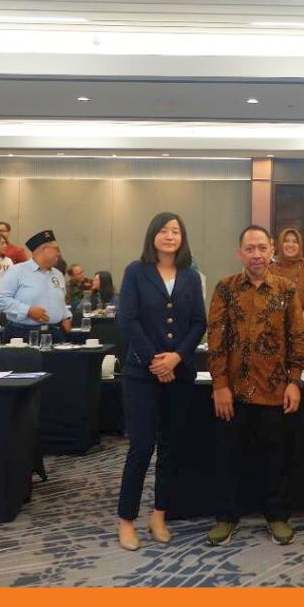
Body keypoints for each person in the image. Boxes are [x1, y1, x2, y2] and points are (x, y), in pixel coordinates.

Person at [205, 225, 304, 547]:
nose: (256, 255)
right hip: (232, 392)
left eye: (262, 248)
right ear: (239, 253)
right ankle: (226, 517)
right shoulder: (225, 289)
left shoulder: (287, 290)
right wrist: (220, 385)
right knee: (228, 457)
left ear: (272, 250)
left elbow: (297, 338)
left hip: (275, 390)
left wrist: (294, 381)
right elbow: (216, 340)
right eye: (250, 249)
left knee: (275, 459)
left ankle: (277, 517)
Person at [115, 212, 206, 551]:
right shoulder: (135, 272)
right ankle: (126, 520)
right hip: (141, 374)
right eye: (164, 231)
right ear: (152, 235)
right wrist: (156, 360)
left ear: (183, 238)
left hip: (179, 374)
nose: (170, 236)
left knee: (171, 447)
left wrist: (176, 358)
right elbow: (128, 320)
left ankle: (159, 515)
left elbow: (199, 323)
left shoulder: (191, 276)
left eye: (176, 231)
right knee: (141, 447)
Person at [0, 229, 73, 342]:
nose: (58, 254)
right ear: (45, 250)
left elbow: (60, 301)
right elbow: (0, 299)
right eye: (56, 249)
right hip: (22, 333)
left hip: (54, 333)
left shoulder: (58, 274)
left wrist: (66, 316)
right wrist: (27, 311)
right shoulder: (17, 271)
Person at [270, 227, 304, 321]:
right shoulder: (270, 269)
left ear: (300, 245)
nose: (290, 245)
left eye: (295, 241)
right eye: (286, 241)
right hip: (276, 323)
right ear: (280, 244)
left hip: (303, 322)